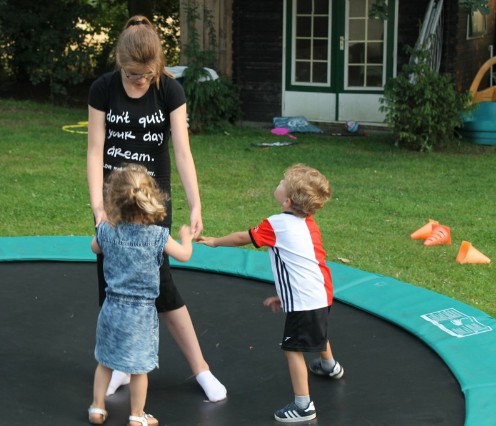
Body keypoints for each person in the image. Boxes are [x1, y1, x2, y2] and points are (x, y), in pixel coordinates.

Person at [86, 14, 226, 403]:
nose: (139, 81)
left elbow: (181, 150)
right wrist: (98, 207)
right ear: (120, 62)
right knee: (111, 284)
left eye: (146, 74)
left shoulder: (170, 91)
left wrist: (196, 202)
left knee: (161, 286)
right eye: (133, 75)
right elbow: (95, 150)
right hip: (114, 201)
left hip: (152, 203)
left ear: (158, 67)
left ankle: (200, 368)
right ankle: (115, 370)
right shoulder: (103, 89)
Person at [197, 164, 344, 423]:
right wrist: (286, 296)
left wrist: (215, 241)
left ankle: (303, 405)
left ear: (287, 200)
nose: (278, 182)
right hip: (322, 289)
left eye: (282, 182)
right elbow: (304, 262)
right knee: (317, 326)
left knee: (292, 348)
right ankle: (329, 365)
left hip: (306, 298)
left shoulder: (276, 224)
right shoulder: (309, 223)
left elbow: (243, 237)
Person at [88, 164, 195, 426]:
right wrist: (186, 237)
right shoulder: (159, 236)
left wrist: (103, 226)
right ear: (150, 198)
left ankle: (97, 407)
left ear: (114, 200)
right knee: (139, 368)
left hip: (112, 307)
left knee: (105, 362)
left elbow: (94, 248)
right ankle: (137, 415)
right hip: (142, 312)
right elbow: (184, 254)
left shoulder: (107, 231)